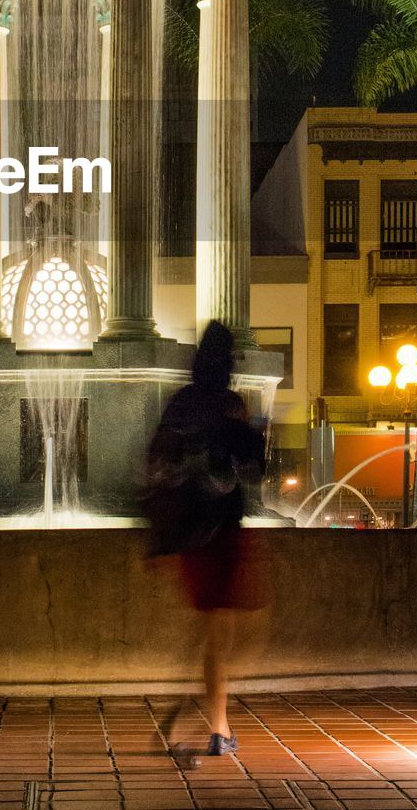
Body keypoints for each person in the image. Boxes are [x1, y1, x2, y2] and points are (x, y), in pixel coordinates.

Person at [143, 320, 267, 765]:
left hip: (192, 537)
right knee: (234, 637)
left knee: (216, 636)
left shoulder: (181, 405)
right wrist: (253, 431)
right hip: (225, 533)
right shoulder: (231, 406)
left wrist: (158, 542)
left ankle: (209, 723)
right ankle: (204, 726)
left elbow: (156, 466)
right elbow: (253, 466)